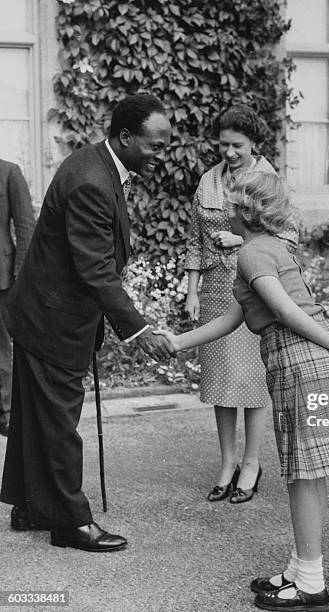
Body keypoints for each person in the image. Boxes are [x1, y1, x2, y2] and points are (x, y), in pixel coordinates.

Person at [159, 171, 329, 611]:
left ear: (244, 214)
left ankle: (311, 583)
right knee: (308, 476)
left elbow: (284, 309)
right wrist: (178, 342)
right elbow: (233, 318)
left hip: (302, 360)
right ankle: (300, 569)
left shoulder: (252, 254)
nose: (224, 216)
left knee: (303, 475)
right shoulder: (267, 249)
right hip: (308, 360)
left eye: (230, 207)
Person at [0, 93, 173, 552]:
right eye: (155, 145)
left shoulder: (98, 165)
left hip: (42, 311)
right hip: (50, 319)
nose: (160, 155)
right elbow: (95, 267)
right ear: (125, 137)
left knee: (37, 416)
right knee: (57, 419)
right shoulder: (91, 180)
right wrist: (140, 330)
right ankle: (71, 524)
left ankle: (33, 507)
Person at [184, 105, 298, 503]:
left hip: (254, 285)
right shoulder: (208, 180)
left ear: (254, 143)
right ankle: (227, 462)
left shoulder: (268, 181)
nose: (229, 152)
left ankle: (252, 463)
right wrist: (192, 288)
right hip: (216, 287)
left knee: (251, 380)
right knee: (219, 380)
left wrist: (243, 241)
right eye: (224, 144)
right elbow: (195, 238)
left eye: (238, 145)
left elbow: (290, 236)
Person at [0, 159, 35, 437]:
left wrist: (21, 278)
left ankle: (7, 414)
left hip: (2, 278)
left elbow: (25, 228)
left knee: (2, 350)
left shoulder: (9, 172)